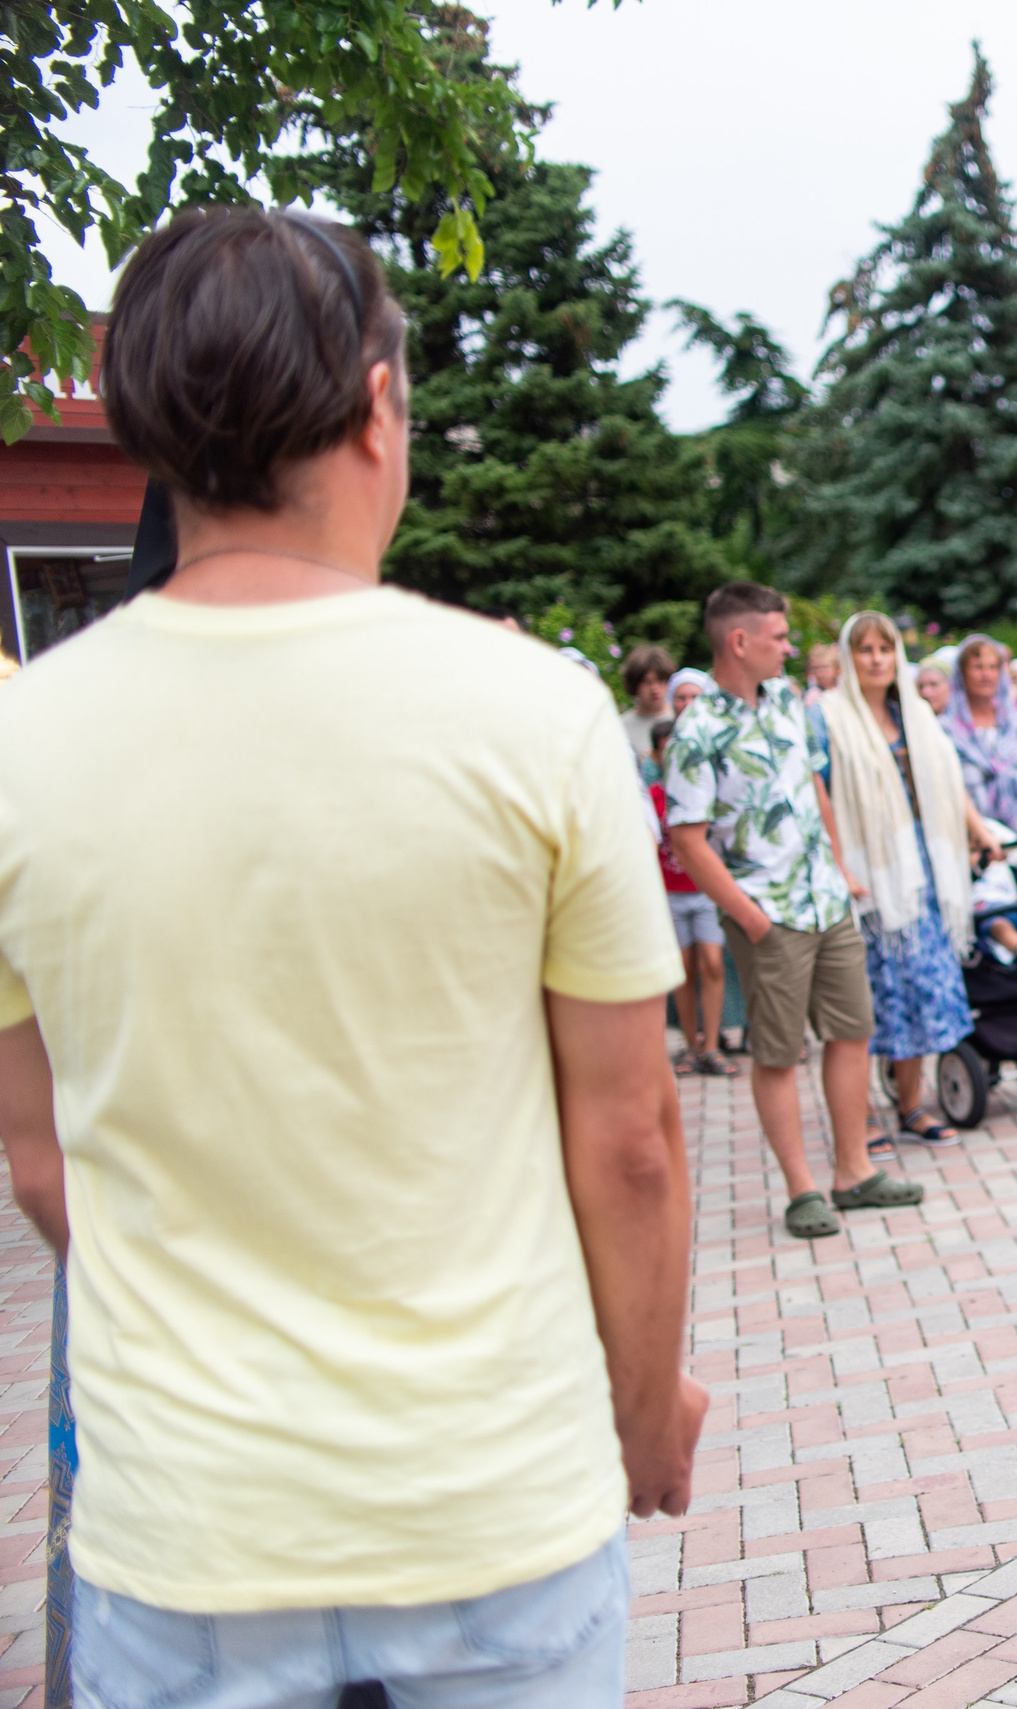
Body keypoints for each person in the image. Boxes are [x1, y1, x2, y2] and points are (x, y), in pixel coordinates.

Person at [0, 205, 704, 1703]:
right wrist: (643, 1415)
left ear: (138, 425)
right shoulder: (532, 711)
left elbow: (45, 1161)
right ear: (380, 404)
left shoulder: (20, 743)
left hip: (183, 1528)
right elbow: (631, 1138)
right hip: (490, 1495)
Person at [665, 583, 926, 1239]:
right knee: (779, 1054)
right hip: (768, 914)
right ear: (740, 642)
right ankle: (803, 1188)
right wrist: (749, 916)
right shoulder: (698, 728)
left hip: (826, 900)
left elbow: (813, 784)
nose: (789, 649)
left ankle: (854, 1172)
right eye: (779, 639)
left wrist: (839, 867)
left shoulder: (786, 699)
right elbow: (686, 837)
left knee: (852, 1030)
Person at [818, 613, 992, 1148]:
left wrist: (979, 831)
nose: (875, 659)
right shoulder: (829, 717)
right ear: (850, 657)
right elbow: (819, 793)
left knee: (921, 987)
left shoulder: (913, 713)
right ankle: (863, 1113)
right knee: (873, 995)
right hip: (870, 872)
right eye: (865, 649)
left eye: (885, 649)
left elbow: (946, 778)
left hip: (925, 867)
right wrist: (841, 866)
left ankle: (912, 1106)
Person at [650, 718, 737, 1078]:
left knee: (712, 963)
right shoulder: (653, 796)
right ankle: (690, 1044)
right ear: (656, 755)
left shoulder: (706, 791)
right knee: (683, 968)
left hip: (703, 892)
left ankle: (713, 1044)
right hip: (670, 894)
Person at [945, 632, 1017, 846]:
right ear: (962, 673)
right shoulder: (947, 730)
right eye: (978, 667)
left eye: (993, 667)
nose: (986, 675)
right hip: (978, 843)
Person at [621, 643, 675, 765]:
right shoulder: (621, 726)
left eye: (660, 681)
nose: (654, 688)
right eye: (647, 682)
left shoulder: (680, 718)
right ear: (634, 685)